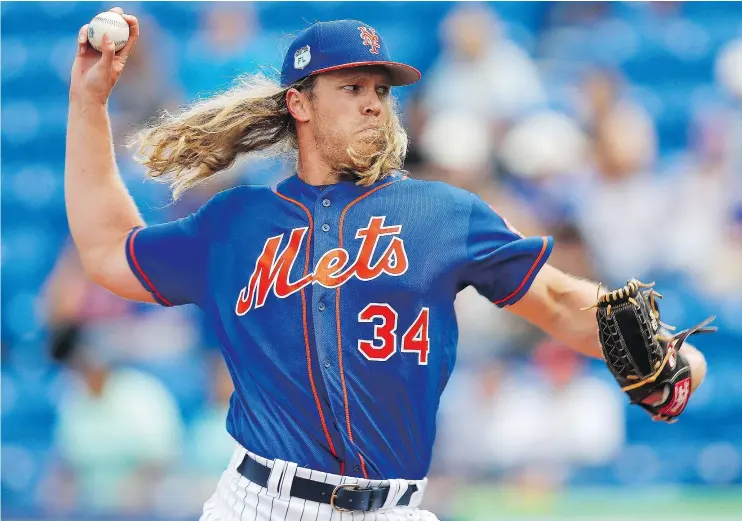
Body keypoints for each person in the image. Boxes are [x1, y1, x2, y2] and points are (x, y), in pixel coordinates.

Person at [66, 8, 708, 521]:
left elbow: (557, 301)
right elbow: (107, 251)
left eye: (381, 89)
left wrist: (668, 354)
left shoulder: (442, 213)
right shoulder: (236, 224)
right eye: (351, 87)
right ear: (300, 103)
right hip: (259, 504)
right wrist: (88, 104)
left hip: (396, 507)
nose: (374, 102)